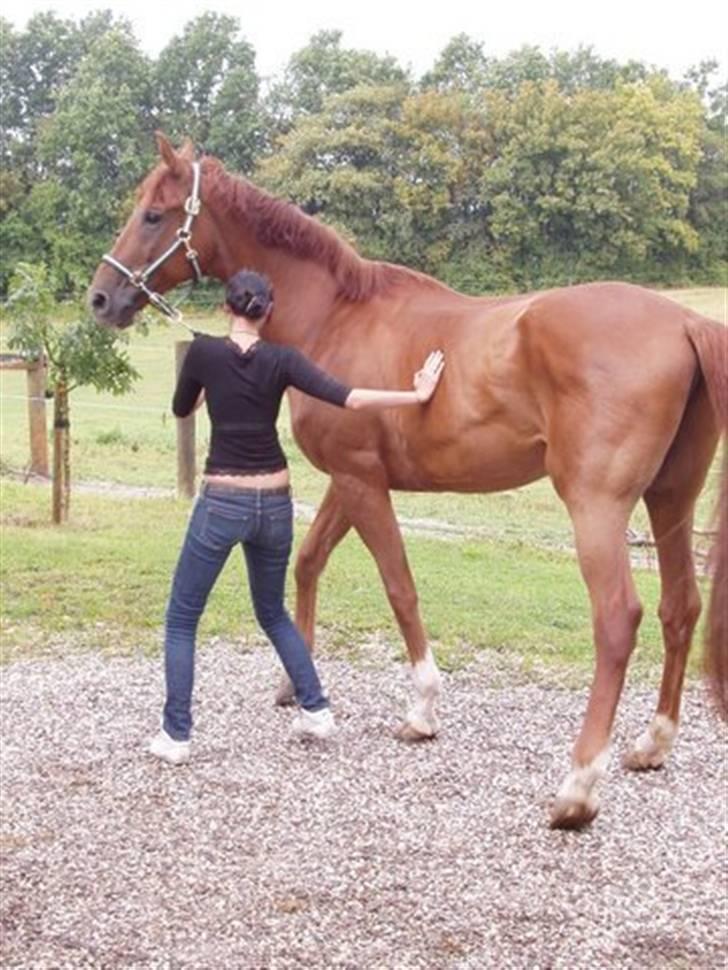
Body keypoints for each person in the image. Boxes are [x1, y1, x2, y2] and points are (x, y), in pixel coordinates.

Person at [150, 268, 445, 765]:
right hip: (276, 502)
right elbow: (349, 397)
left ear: (227, 308)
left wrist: (204, 380)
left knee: (182, 618)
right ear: (268, 312)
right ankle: (316, 709)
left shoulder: (202, 353)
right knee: (272, 611)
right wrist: (416, 395)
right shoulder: (284, 360)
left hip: (223, 500)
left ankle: (176, 736)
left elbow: (184, 409)